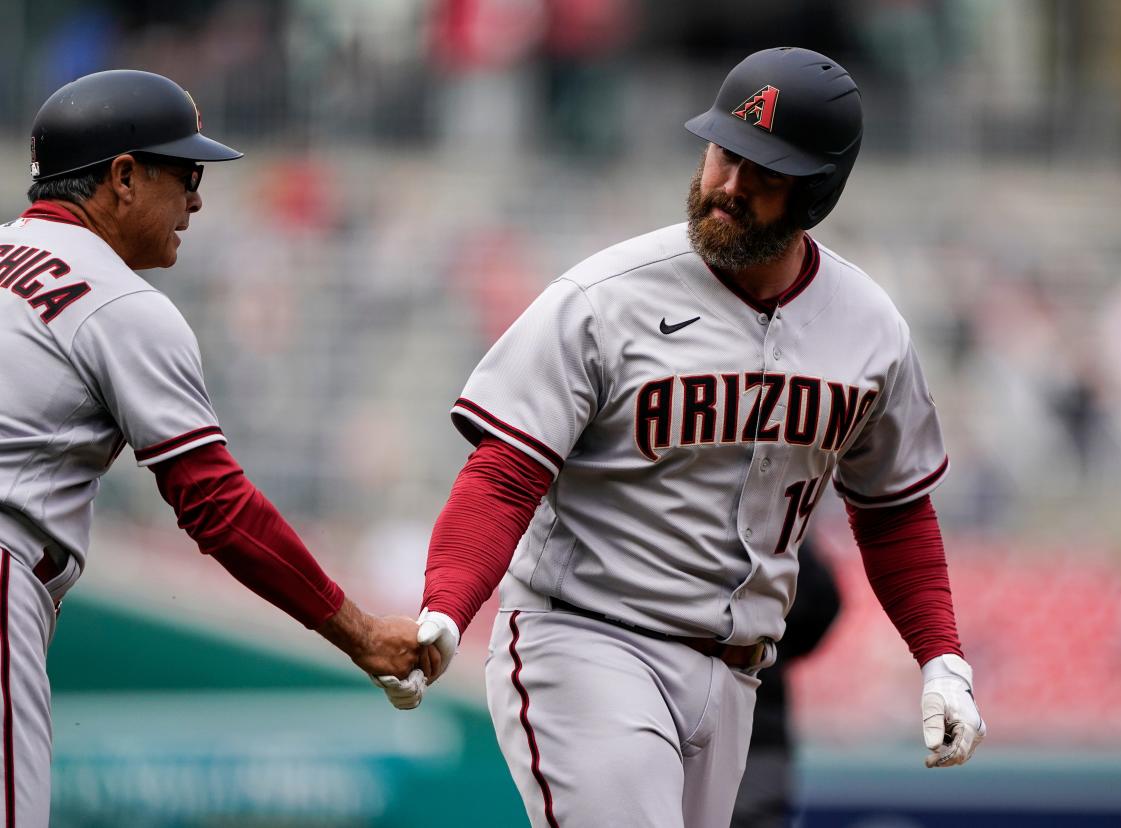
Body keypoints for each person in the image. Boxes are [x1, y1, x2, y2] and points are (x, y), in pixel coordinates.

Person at [378, 47, 985, 826]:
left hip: (737, 676)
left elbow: (894, 509)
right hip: (588, 639)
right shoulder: (605, 299)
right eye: (723, 153)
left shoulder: (871, 331)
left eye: (762, 170)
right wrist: (448, 606)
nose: (728, 186)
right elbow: (504, 474)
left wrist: (941, 658)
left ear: (818, 191)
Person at [0, 70, 436, 826]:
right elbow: (218, 507)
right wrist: (361, 633)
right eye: (187, 173)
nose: (198, 200)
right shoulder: (120, 301)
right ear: (124, 177)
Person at [731, 538, 841, 828]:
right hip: (758, 724)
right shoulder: (772, 535)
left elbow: (825, 601)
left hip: (755, 730)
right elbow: (824, 603)